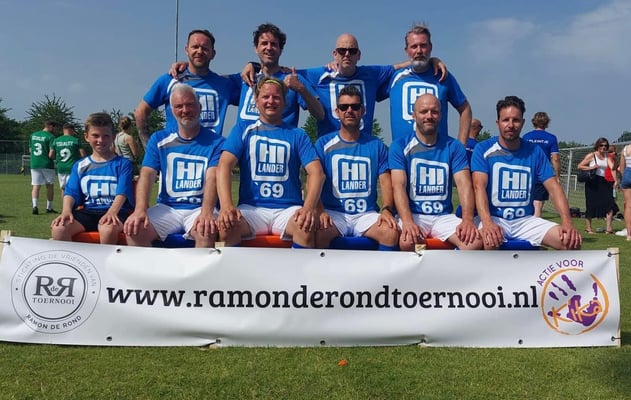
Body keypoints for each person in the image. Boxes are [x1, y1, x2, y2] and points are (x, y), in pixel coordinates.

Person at [241, 33, 446, 138]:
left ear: (359, 54)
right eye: (342, 50)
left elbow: (398, 66)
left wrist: (430, 60)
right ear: (335, 54)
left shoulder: (371, 73)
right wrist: (253, 64)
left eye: (351, 51)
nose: (346, 54)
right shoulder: (318, 74)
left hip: (362, 147)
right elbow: (281, 70)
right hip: (328, 147)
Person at [216, 78, 325, 248]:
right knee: (227, 225)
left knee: (305, 225)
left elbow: (317, 172)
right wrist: (226, 206)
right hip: (252, 208)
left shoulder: (297, 134)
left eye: (276, 97)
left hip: (288, 208)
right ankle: (236, 267)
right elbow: (224, 165)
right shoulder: (243, 129)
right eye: (265, 97)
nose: (271, 101)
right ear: (256, 101)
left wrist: (309, 207)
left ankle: (299, 267)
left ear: (284, 102)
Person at [471, 96, 582, 250]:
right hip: (494, 217)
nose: (511, 125)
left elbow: (554, 187)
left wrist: (567, 222)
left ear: (523, 122)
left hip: (525, 221)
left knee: (570, 242)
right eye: (505, 120)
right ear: (498, 123)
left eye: (516, 120)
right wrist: (488, 222)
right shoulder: (483, 149)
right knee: (489, 241)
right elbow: (479, 187)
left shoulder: (534, 151)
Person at [124, 83, 224, 248]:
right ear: (171, 110)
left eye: (190, 104)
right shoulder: (159, 139)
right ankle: (149, 266)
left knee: (206, 231)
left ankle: (198, 267)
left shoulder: (217, 142)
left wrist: (207, 211)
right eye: (179, 106)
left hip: (199, 207)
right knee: (135, 230)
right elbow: (147, 175)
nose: (185, 110)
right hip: (167, 207)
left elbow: (212, 178)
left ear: (199, 107)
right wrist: (140, 209)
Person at [171, 23, 325, 128]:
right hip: (246, 158)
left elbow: (320, 114)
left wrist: (302, 89)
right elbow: (208, 78)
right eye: (264, 43)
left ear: (280, 50)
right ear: (256, 48)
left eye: (274, 44)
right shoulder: (243, 79)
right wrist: (189, 65)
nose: (269, 48)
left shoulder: (293, 80)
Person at [390, 93, 482, 251]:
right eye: (423, 111)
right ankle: (421, 266)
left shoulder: (454, 146)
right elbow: (398, 186)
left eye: (434, 111)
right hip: (414, 214)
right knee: (408, 241)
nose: (429, 116)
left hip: (442, 216)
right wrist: (407, 221)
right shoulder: (400, 146)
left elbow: (464, 185)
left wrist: (467, 219)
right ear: (414, 115)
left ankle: (449, 267)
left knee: (473, 242)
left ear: (441, 115)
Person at [314, 86, 399, 250]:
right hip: (334, 213)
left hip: (366, 214)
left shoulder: (376, 145)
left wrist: (387, 209)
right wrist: (320, 211)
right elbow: (313, 180)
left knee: (390, 232)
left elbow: (386, 182)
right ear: (337, 112)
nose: (349, 111)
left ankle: (381, 269)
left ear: (363, 111)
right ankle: (322, 268)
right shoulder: (323, 144)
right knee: (318, 232)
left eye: (355, 106)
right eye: (344, 107)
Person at [134, 29, 239, 146]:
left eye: (205, 48)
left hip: (211, 153)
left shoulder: (224, 85)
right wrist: (148, 147)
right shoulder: (171, 79)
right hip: (173, 152)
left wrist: (251, 65)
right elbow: (140, 111)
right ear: (186, 50)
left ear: (213, 54)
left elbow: (252, 86)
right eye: (195, 47)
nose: (199, 51)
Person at [51, 113, 134, 244]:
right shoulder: (80, 165)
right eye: (95, 135)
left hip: (116, 211)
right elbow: (71, 192)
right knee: (59, 228)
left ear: (113, 137)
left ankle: (105, 258)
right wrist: (66, 211)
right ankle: (72, 258)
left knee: (108, 228)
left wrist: (112, 212)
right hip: (88, 211)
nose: (100, 140)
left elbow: (122, 192)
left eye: (106, 136)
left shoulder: (123, 164)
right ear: (86, 137)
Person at [388, 24, 471, 145]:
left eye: (423, 45)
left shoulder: (443, 76)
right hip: (402, 154)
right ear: (406, 51)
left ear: (430, 47)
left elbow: (465, 108)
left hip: (438, 154)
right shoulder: (394, 78)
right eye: (414, 46)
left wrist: (461, 146)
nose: (419, 51)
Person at [577, 137, 619, 234]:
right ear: (598, 146)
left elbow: (612, 168)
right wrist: (591, 167)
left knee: (609, 203)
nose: (603, 147)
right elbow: (579, 166)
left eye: (605, 146)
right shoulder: (592, 155)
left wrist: (615, 160)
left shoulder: (606, 157)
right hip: (592, 182)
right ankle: (588, 228)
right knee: (590, 204)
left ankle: (609, 229)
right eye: (601, 145)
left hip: (603, 181)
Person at [522, 111, 560, 217]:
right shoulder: (551, 138)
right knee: (538, 203)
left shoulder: (526, 137)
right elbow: (555, 158)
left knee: (527, 202)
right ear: (547, 122)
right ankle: (535, 224)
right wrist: (557, 175)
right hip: (542, 173)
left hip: (527, 173)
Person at [29, 120, 57, 215]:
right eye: (54, 128)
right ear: (50, 126)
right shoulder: (51, 137)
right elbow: (51, 154)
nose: (55, 130)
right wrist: (55, 158)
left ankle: (35, 206)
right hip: (47, 164)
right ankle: (49, 208)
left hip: (35, 163)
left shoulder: (33, 135)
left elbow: (30, 150)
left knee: (36, 186)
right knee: (49, 186)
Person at [49, 123, 86, 197]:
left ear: (63, 130)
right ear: (71, 130)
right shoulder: (75, 140)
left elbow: (51, 155)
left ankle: (64, 204)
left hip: (61, 167)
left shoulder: (56, 140)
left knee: (63, 189)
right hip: (72, 167)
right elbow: (83, 154)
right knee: (73, 188)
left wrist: (57, 159)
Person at [618, 143, 631, 240]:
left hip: (627, 175)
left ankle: (629, 234)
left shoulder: (625, 149)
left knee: (628, 206)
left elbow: (621, 168)